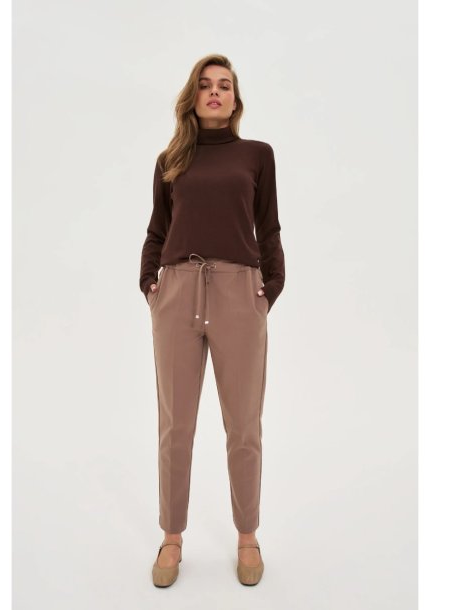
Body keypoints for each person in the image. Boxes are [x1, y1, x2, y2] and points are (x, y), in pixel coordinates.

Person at [139, 54, 285, 587]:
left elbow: (268, 227)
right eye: (206, 85)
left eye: (224, 85)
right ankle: (171, 536)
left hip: (239, 292)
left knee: (244, 425)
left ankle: (247, 536)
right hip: (177, 291)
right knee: (175, 425)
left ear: (235, 98)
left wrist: (271, 286)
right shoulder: (171, 159)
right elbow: (157, 229)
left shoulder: (257, 155)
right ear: (193, 96)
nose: (215, 92)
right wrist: (149, 281)